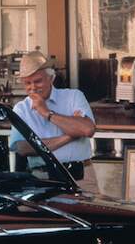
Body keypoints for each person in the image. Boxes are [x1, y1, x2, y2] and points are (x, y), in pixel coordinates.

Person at [7, 50, 99, 193]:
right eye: (27, 83)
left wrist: (47, 113)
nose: (33, 88)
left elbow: (87, 130)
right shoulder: (21, 109)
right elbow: (23, 148)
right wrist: (69, 135)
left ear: (51, 78)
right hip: (42, 180)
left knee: (88, 215)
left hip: (80, 177)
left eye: (37, 81)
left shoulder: (73, 96)